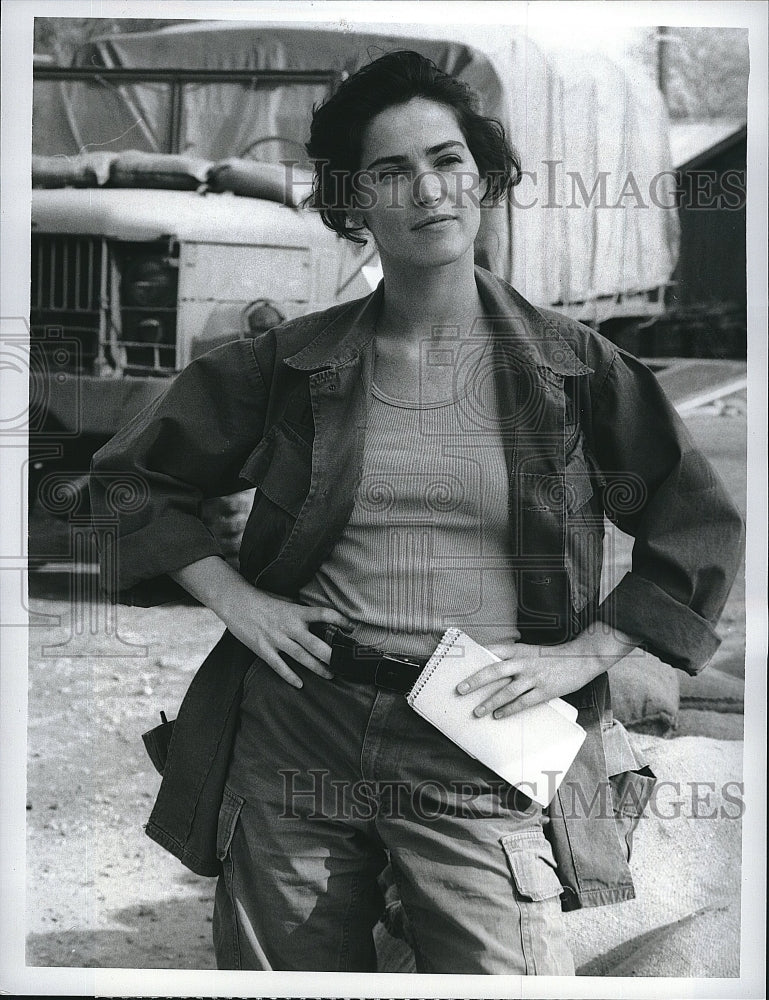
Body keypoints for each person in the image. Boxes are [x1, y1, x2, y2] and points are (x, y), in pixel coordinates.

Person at [90, 51, 744, 975]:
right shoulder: (289, 364)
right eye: (390, 172)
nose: (426, 190)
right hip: (297, 727)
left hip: (474, 733)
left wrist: (583, 656)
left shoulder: (574, 370)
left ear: (485, 177)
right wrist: (236, 599)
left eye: (446, 160)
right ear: (352, 201)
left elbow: (697, 524)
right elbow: (127, 479)